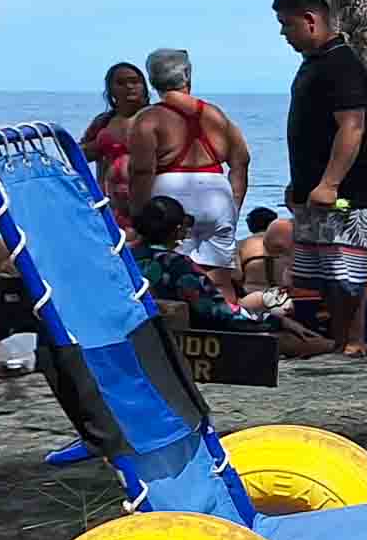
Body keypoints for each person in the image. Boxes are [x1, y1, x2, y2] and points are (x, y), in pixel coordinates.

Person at [274, 0, 367, 357]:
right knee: (320, 272)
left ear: (310, 20)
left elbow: (352, 125)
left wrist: (330, 183)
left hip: (342, 192)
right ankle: (339, 340)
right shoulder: (314, 64)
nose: (283, 34)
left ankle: (354, 341)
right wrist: (300, 183)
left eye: (287, 24)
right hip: (310, 187)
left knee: (346, 271)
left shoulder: (342, 63)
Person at [130, 196, 333, 359]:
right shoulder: (177, 265)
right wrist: (277, 321)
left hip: (140, 333)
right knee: (309, 342)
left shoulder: (127, 258)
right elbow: (218, 313)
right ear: (177, 229)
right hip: (197, 339)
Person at [126, 48, 251, 297]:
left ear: (152, 81)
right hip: (217, 196)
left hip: (171, 199)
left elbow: (141, 171)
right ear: (188, 77)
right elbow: (241, 161)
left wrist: (139, 218)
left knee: (171, 276)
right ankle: (229, 317)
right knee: (220, 280)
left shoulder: (149, 119)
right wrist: (234, 205)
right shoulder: (215, 115)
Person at [81, 62, 148, 205]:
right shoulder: (103, 121)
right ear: (110, 90)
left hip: (145, 200)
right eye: (121, 83)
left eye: (134, 81)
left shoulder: (156, 118)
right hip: (109, 202)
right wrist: (101, 144)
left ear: (144, 86)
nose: (129, 86)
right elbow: (79, 156)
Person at [236, 206, 282, 292]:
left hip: (253, 293)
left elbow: (237, 276)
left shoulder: (240, 245)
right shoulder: (287, 243)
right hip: (283, 293)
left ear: (250, 224)